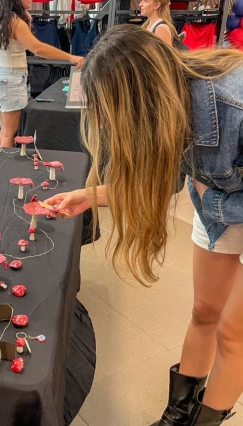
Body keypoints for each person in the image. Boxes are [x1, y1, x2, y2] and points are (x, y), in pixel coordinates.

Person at [46, 25, 243, 425]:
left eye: (107, 112)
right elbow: (155, 178)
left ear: (138, 95)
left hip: (227, 198)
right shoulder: (171, 105)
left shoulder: (233, 104)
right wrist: (88, 196)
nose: (104, 126)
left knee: (232, 333)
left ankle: (207, 420)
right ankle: (178, 416)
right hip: (218, 203)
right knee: (205, 310)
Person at [0, 0, 84, 149]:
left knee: (4, 133)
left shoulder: (4, 17)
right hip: (11, 80)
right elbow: (38, 48)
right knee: (9, 134)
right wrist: (70, 57)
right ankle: (1, 169)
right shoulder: (15, 22)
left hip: (4, 78)